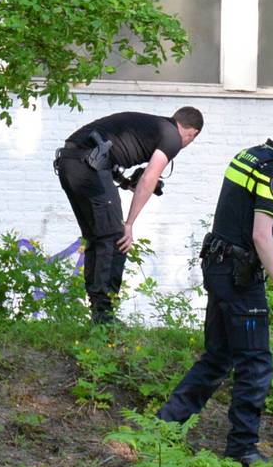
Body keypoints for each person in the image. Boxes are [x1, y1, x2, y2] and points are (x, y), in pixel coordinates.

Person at [157, 119, 273, 467]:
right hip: (240, 277)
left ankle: (165, 426)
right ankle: (243, 450)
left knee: (219, 356)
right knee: (255, 363)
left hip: (217, 266)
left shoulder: (248, 156)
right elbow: (261, 234)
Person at [55, 107, 204, 323]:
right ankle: (104, 317)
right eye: (191, 139)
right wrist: (130, 223)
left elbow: (106, 152)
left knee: (98, 238)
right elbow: (149, 178)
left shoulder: (153, 125)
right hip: (87, 167)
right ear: (193, 133)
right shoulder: (172, 136)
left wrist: (125, 183)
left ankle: (98, 309)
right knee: (117, 238)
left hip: (69, 163)